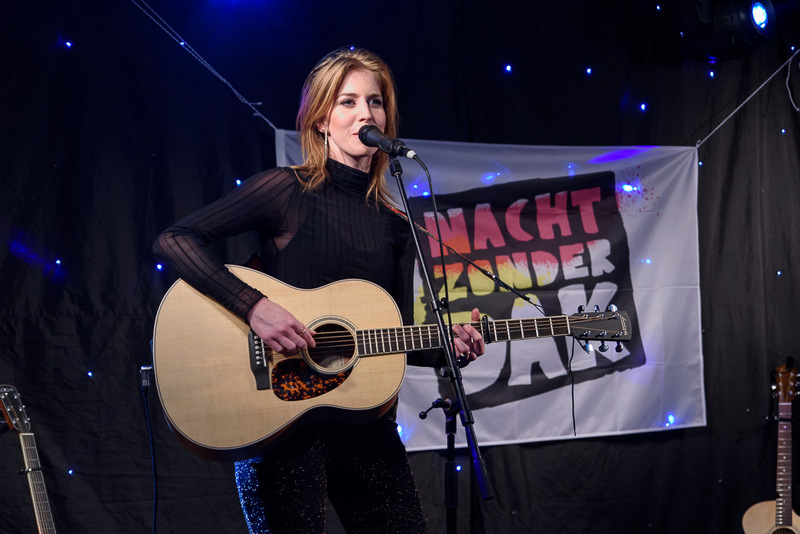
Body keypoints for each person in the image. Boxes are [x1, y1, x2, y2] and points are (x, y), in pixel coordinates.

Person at [153, 46, 485, 534]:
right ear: (321, 121)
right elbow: (175, 240)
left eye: (375, 102)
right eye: (348, 101)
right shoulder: (286, 190)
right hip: (279, 422)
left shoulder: (397, 223)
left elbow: (390, 336)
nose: (365, 113)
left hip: (364, 423)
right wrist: (254, 307)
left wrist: (445, 348)